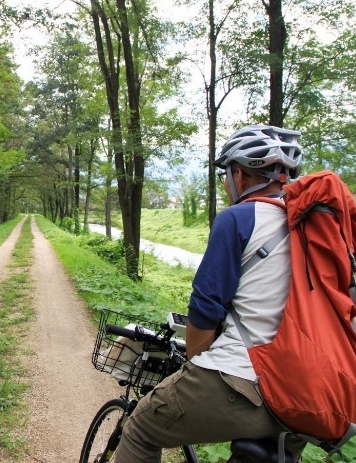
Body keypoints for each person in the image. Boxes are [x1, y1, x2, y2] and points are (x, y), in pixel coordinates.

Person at [111, 125, 306, 462]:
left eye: (227, 175)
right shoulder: (314, 226)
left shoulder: (240, 217)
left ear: (240, 175)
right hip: (308, 394)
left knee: (141, 428)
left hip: (248, 381)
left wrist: (194, 361)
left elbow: (204, 308)